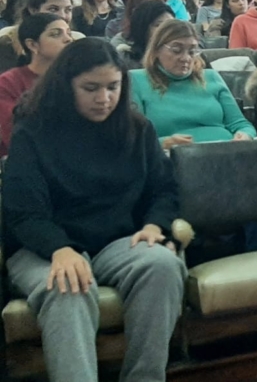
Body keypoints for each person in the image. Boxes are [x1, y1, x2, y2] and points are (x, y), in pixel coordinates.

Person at [3, 38, 186, 382]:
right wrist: (59, 249)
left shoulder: (137, 128)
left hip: (115, 241)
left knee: (162, 265)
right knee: (68, 285)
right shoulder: (33, 130)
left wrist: (154, 225)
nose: (104, 98)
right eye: (90, 88)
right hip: (42, 246)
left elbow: (164, 189)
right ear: (66, 85)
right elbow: (23, 212)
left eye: (113, 87)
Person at [131, 21, 257, 252]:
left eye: (192, 51)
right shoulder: (137, 80)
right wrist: (164, 142)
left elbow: (241, 124)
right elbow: (133, 140)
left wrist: (243, 136)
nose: (185, 58)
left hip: (226, 159)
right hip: (176, 165)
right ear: (156, 50)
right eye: (176, 50)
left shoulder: (211, 78)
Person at [0, 13, 73, 155]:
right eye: (56, 34)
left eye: (68, 33)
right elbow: (14, 135)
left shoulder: (76, 77)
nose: (68, 39)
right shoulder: (8, 82)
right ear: (32, 45)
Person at [118, 0, 173, 70]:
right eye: (158, 25)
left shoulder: (180, 58)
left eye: (171, 24)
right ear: (143, 28)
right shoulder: (126, 60)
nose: (167, 29)